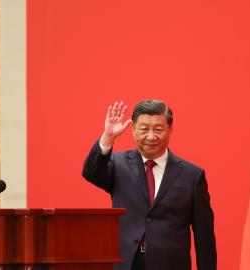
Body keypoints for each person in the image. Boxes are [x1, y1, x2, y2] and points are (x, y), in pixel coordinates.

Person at [82, 100, 217, 270]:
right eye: (144, 129)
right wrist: (108, 137)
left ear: (170, 129)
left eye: (158, 129)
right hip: (127, 264)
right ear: (133, 130)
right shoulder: (118, 164)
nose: (151, 136)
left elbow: (204, 236)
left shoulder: (192, 175)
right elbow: (91, 173)